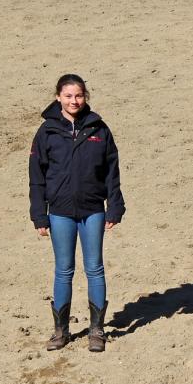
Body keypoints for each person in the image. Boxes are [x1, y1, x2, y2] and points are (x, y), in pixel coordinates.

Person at [29, 74, 125, 352]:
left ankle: (97, 329)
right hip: (59, 212)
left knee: (95, 268)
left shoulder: (100, 129)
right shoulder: (46, 132)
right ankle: (61, 330)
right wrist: (39, 214)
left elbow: (111, 173)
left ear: (86, 97)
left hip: (93, 209)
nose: (74, 100)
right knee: (63, 270)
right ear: (58, 97)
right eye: (69, 95)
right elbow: (36, 177)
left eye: (79, 95)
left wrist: (114, 207)